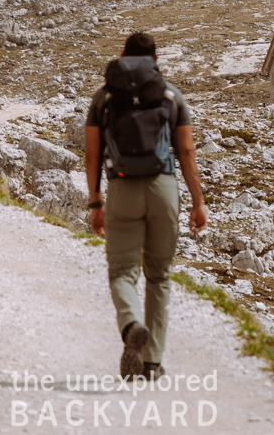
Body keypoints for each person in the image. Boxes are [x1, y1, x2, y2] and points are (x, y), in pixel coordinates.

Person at [84, 30, 208, 379]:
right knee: (159, 275)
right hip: (163, 188)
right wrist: (198, 203)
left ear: (123, 56)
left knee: (123, 272)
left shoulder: (103, 98)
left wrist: (96, 202)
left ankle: (130, 325)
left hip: (122, 189)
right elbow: (186, 152)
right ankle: (152, 362)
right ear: (155, 59)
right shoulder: (171, 95)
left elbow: (93, 154)